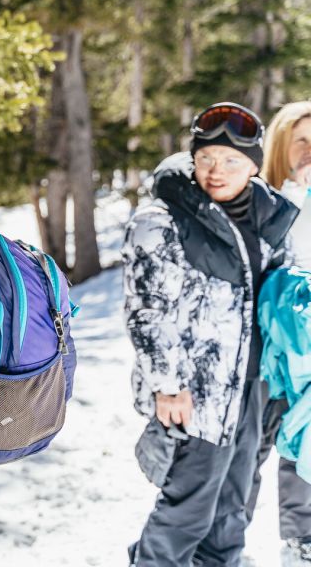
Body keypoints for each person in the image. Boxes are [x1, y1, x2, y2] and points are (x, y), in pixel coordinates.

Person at [123, 102, 298, 566]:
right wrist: (168, 385)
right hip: (195, 396)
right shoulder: (162, 221)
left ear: (254, 165)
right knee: (187, 510)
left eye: (231, 162)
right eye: (206, 159)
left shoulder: (267, 218)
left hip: (252, 389)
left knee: (233, 510)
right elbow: (146, 312)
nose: (216, 171)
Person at [247, 101, 311, 561]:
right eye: (301, 140)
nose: (310, 150)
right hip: (264, 347)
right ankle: (224, 538)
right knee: (251, 449)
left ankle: (300, 538)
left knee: (302, 438)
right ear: (281, 145)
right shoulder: (262, 197)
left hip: (306, 345)